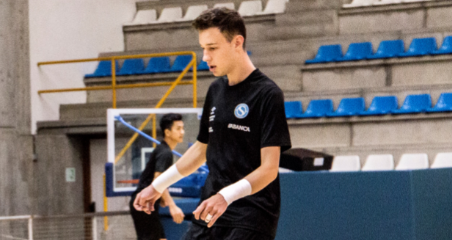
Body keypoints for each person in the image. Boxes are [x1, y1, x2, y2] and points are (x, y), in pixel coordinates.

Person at [133, 7, 291, 240]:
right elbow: (200, 150)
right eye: (203, 49)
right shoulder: (215, 90)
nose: (205, 57)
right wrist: (158, 186)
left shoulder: (268, 94)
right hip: (211, 207)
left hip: (251, 213)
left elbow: (269, 170)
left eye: (212, 48)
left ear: (237, 42)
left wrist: (225, 196)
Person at [130, 113, 186, 240]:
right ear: (167, 132)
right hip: (144, 203)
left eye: (183, 128)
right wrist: (172, 205)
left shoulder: (164, 150)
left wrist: (161, 198)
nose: (182, 132)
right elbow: (158, 181)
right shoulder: (165, 153)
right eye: (178, 128)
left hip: (148, 202)